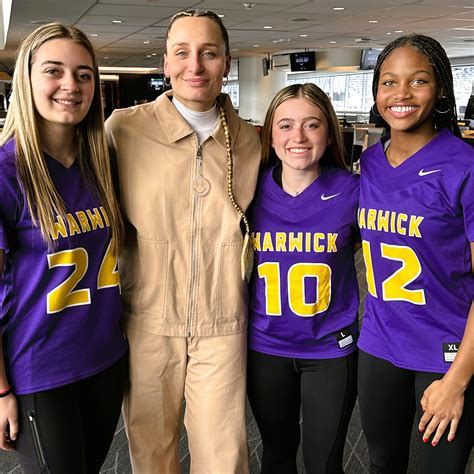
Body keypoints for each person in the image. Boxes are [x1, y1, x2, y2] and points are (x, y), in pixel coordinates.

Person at [105, 9, 261, 473]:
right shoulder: (123, 129)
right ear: (166, 64)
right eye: (182, 53)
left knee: (224, 455)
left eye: (209, 53)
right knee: (151, 451)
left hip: (223, 323)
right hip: (148, 320)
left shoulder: (251, 140)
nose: (195, 65)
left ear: (226, 63)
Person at [0, 23, 127, 473]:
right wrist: (0, 391)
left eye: (84, 74)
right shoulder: (6, 173)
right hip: (41, 371)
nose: (70, 86)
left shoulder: (105, 164)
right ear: (26, 81)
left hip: (105, 361)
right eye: (54, 71)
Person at [357, 34, 474, 473]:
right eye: (389, 82)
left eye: (418, 81)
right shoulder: (368, 162)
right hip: (378, 347)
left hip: (447, 354)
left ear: (440, 88)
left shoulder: (465, 166)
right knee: (382, 463)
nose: (401, 94)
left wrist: (457, 380)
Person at [246, 83, 360, 473]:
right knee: (276, 456)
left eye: (311, 125)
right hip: (266, 348)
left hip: (330, 349)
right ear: (270, 135)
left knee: (323, 462)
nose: (298, 137)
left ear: (329, 134)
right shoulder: (246, 191)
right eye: (286, 125)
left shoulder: (353, 192)